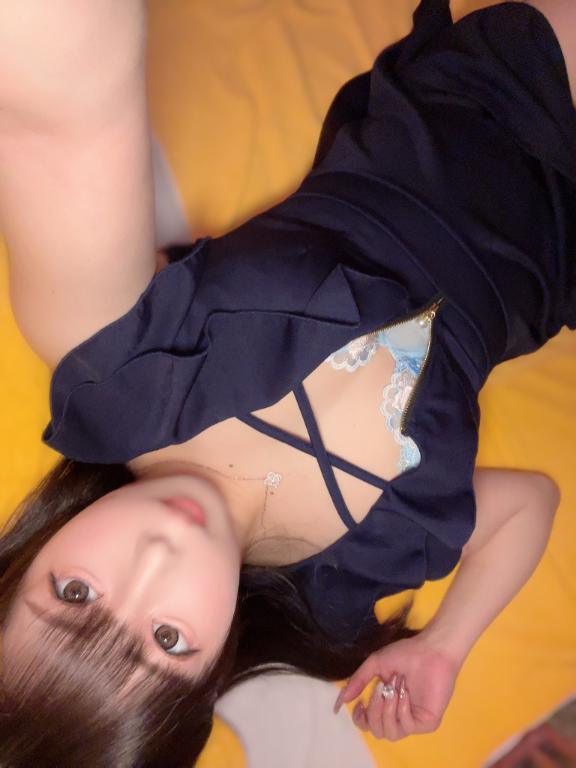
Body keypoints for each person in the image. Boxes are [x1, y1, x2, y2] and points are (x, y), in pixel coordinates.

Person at [0, 0, 574, 764]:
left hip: (476, 106)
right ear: (212, 677)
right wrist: (445, 645)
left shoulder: (112, 363)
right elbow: (529, 503)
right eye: (167, 640)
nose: (158, 556)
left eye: (75, 595)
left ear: (22, 563)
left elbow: (50, 117)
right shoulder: (339, 591)